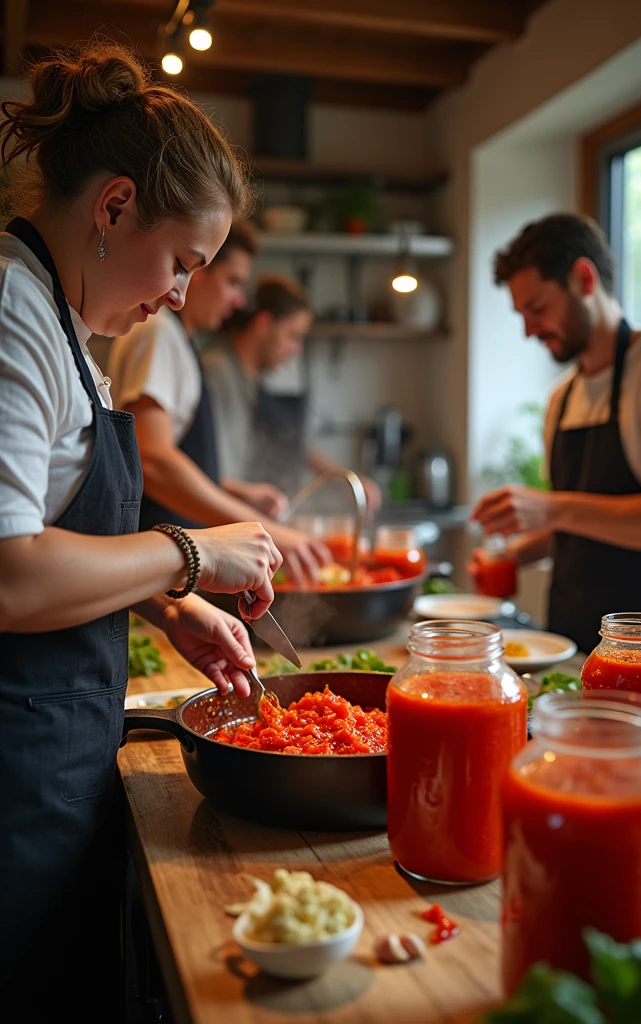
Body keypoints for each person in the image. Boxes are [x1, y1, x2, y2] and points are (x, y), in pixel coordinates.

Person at [0, 42, 284, 1020]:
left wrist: (174, 609)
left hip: (54, 761)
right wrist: (194, 551)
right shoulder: (11, 312)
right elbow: (10, 575)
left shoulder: (64, 323)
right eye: (181, 263)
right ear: (114, 207)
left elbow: (49, 525)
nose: (177, 294)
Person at [470, 213, 641, 654]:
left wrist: (552, 508)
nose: (528, 330)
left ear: (584, 279)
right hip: (567, 640)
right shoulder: (561, 397)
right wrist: (518, 552)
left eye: (537, 309)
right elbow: (582, 525)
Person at [108, 227, 329, 586]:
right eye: (233, 282)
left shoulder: (178, 340)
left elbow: (172, 454)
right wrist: (266, 530)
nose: (240, 300)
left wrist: (237, 490)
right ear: (199, 270)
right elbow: (152, 459)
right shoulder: (158, 333)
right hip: (157, 563)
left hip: (175, 564)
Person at [202, 273, 382, 513]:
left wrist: (347, 482)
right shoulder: (217, 371)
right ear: (264, 324)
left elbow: (297, 443)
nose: (296, 350)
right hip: (214, 520)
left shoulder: (253, 380)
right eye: (293, 336)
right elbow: (202, 470)